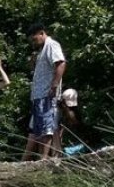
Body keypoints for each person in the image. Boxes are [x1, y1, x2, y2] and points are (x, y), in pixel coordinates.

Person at [23, 23, 67, 161]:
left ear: (42, 33)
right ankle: (43, 158)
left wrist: (54, 85)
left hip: (47, 93)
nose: (34, 42)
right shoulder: (42, 50)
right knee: (40, 128)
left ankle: (44, 158)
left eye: (34, 39)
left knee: (47, 127)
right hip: (39, 95)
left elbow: (61, 63)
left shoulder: (52, 45)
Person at [54, 88, 86, 156]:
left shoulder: (69, 113)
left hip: (73, 144)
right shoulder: (71, 112)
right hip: (72, 144)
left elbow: (60, 131)